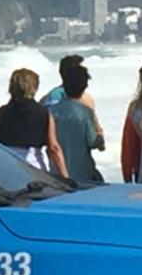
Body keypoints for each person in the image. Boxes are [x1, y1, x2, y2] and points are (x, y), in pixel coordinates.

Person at [0, 67, 67, 179]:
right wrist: (65, 177)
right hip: (33, 168)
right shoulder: (43, 113)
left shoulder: (2, 112)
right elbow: (53, 148)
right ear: (34, 88)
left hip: (7, 167)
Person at [44, 54, 108, 186]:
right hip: (82, 172)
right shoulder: (85, 112)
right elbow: (92, 141)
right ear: (84, 86)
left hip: (58, 172)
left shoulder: (50, 110)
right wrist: (100, 138)